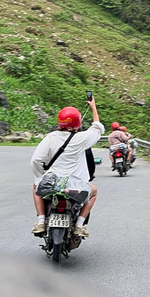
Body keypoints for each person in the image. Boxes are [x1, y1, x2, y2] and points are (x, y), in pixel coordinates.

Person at [30, 98, 103, 237]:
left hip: (52, 183)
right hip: (76, 185)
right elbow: (98, 127)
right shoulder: (82, 138)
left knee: (35, 186)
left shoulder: (50, 138)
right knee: (94, 192)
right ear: (77, 123)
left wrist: (41, 177)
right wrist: (93, 107)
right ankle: (79, 225)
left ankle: (40, 221)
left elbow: (35, 160)